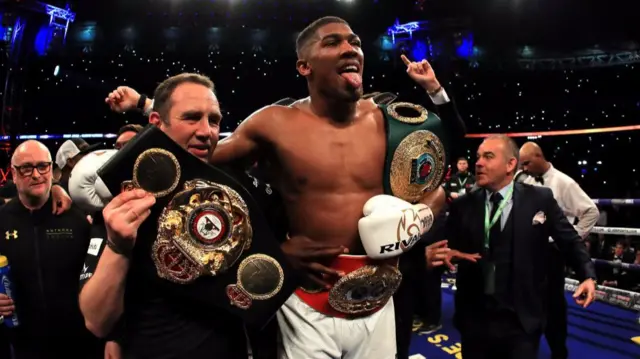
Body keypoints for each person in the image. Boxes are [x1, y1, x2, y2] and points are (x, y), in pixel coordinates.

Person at [207, 16, 465, 359]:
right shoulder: (273, 123)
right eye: (333, 43)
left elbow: (439, 178)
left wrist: (420, 215)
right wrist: (267, 250)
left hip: (382, 301)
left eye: (355, 42)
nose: (350, 49)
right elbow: (202, 169)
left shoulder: (391, 120)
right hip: (306, 305)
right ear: (304, 66)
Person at [82, 73, 285, 359]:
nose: (206, 131)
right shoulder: (126, 200)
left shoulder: (235, 191)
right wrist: (118, 247)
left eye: (214, 120)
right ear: (156, 124)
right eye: (192, 118)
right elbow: (97, 322)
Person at [442, 134, 596, 359]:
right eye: (478, 157)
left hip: (521, 318)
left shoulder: (540, 199)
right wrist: (447, 254)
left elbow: (569, 239)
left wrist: (587, 275)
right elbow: (449, 247)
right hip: (475, 317)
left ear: (510, 164)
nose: (478, 163)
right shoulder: (462, 205)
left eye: (488, 156)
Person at [0, 140, 103, 359]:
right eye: (26, 168)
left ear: (51, 170)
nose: (36, 174)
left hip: (80, 343)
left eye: (42, 166)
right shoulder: (2, 220)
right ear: (14, 174)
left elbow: (100, 276)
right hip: (23, 344)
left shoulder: (77, 217)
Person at [519, 141, 599, 359]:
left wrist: (570, 237)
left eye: (526, 163)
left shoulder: (564, 182)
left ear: (538, 156)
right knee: (526, 302)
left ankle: (558, 352)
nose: (523, 168)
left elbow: (591, 211)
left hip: (551, 253)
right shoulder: (523, 180)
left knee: (553, 305)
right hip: (528, 251)